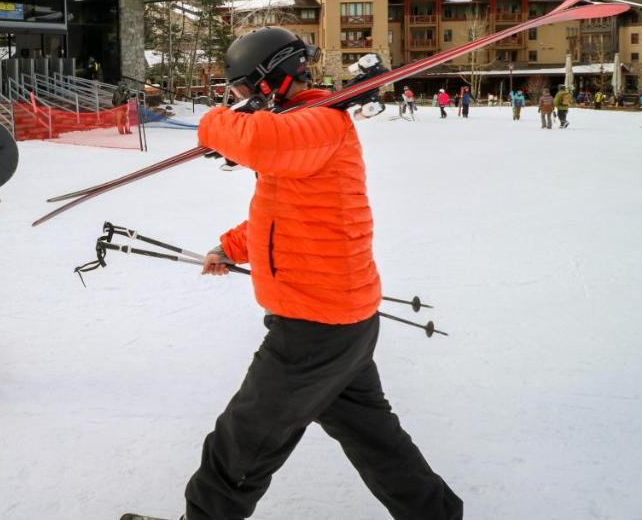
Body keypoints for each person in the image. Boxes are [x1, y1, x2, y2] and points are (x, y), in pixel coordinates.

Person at [184, 26, 462, 520]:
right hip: (342, 323)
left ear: (271, 81)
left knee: (245, 439)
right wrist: (229, 248)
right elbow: (284, 215)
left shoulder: (319, 125)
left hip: (312, 329)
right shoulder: (304, 126)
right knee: (374, 438)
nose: (239, 102)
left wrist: (215, 123)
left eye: (243, 90)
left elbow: (261, 143)